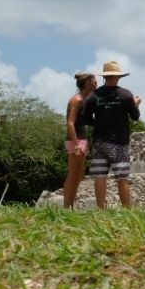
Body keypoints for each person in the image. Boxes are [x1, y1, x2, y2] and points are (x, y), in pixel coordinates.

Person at [81, 61, 141, 209]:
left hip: (100, 141)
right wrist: (136, 104)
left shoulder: (93, 96)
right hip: (119, 142)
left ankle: (101, 209)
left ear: (105, 77)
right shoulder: (126, 95)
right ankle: (127, 210)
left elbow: (87, 119)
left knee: (100, 176)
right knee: (122, 178)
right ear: (118, 77)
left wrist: (102, 121)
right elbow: (135, 116)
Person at [62, 72, 97, 209]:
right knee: (72, 176)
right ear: (88, 82)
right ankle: (67, 207)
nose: (96, 84)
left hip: (81, 140)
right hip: (75, 141)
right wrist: (76, 144)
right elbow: (70, 123)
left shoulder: (84, 99)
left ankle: (70, 206)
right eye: (94, 81)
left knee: (79, 176)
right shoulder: (77, 100)